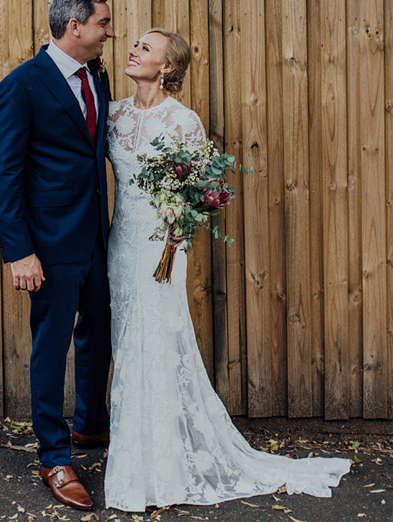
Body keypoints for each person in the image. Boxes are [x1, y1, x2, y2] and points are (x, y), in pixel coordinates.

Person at [104, 28, 350, 512]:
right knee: (125, 339)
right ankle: (136, 450)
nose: (133, 51)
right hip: (121, 241)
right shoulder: (112, 115)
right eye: (134, 45)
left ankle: (161, 469)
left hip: (164, 247)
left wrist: (181, 224)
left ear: (168, 67)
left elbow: (202, 190)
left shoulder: (184, 121)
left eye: (145, 48)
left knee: (156, 340)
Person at [0, 0, 114, 511]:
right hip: (48, 243)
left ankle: (89, 427)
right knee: (51, 345)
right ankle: (54, 456)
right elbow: (3, 174)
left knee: (98, 336)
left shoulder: (97, 76)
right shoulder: (22, 86)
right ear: (74, 26)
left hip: (98, 238)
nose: (111, 31)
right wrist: (20, 251)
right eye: (103, 23)